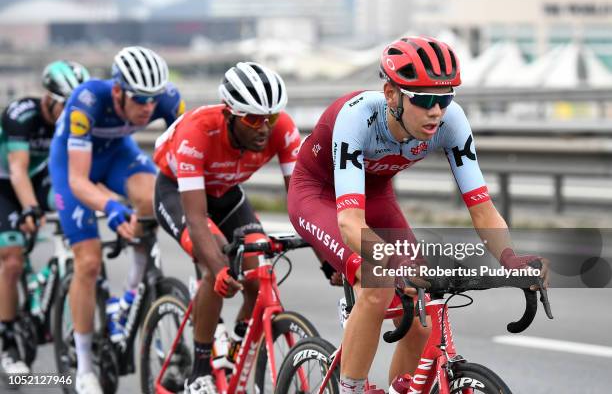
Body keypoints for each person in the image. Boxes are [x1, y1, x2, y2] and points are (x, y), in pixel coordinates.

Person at [286, 36, 548, 394]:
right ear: (391, 94)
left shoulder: (451, 121)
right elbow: (350, 223)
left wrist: (510, 257)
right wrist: (391, 260)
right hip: (319, 194)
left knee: (421, 316)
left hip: (375, 193)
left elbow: (483, 209)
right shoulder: (356, 118)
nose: (436, 111)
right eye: (424, 99)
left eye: (444, 98)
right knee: (378, 280)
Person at [152, 61, 302, 393]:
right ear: (230, 114)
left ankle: (235, 345)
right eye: (252, 119)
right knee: (217, 263)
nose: (264, 127)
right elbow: (196, 218)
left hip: (227, 195)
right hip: (179, 193)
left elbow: (302, 201)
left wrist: (326, 258)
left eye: (271, 117)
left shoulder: (282, 129)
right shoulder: (197, 132)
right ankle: (199, 371)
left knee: (259, 267)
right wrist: (220, 268)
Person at [49, 46, 185, 394]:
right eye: (139, 99)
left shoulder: (169, 100)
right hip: (73, 166)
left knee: (151, 197)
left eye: (153, 99)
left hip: (117, 157)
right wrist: (109, 207)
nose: (148, 108)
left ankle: (129, 297)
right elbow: (79, 181)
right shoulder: (87, 101)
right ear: (117, 91)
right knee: (89, 262)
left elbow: (186, 163)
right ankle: (83, 366)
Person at [0, 60, 90, 377]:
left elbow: (77, 172)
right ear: (48, 98)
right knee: (11, 259)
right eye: (65, 106)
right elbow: (17, 170)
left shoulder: (77, 120)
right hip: (6, 184)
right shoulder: (21, 114)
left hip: (40, 180)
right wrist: (29, 209)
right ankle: (8, 341)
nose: (70, 115)